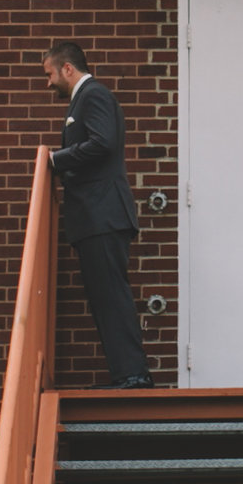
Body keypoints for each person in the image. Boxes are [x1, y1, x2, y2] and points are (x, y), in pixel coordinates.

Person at [44, 41, 153, 388]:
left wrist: (56, 160)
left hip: (103, 215)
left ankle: (134, 376)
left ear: (67, 69)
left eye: (49, 74)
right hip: (96, 217)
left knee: (112, 297)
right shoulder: (86, 98)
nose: (48, 83)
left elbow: (103, 142)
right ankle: (126, 374)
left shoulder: (93, 95)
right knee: (104, 298)